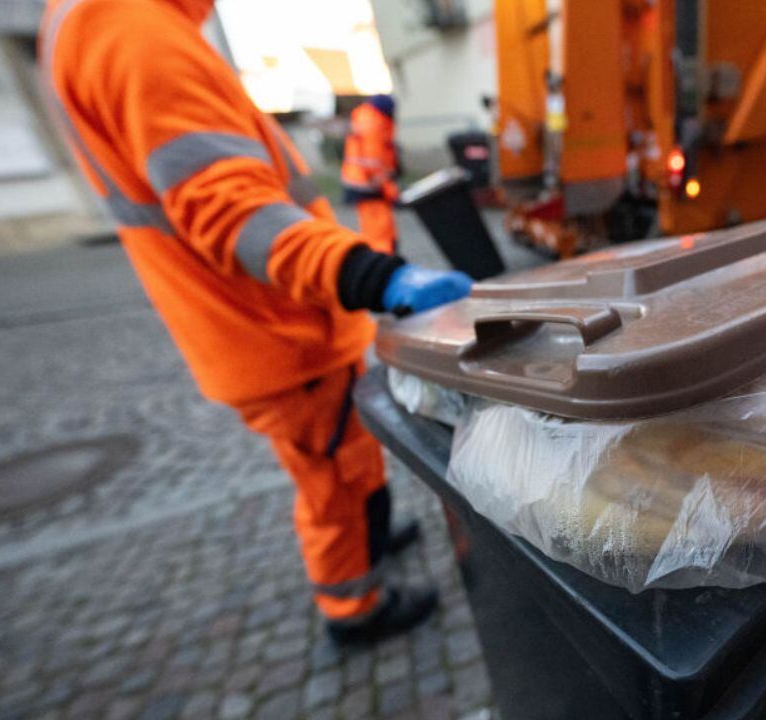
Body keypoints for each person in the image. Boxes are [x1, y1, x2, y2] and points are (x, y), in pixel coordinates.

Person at [39, 0, 472, 644]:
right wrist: (373, 275)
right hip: (278, 327)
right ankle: (355, 607)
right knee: (332, 480)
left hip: (268, 322)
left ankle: (371, 532)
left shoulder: (102, 22)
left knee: (346, 459)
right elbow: (231, 210)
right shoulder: (129, 25)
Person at [342, 94, 401, 254]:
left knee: (376, 228)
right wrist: (386, 185)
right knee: (378, 230)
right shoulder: (374, 122)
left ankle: (384, 255)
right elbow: (373, 158)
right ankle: (383, 258)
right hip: (369, 184)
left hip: (362, 181)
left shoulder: (366, 117)